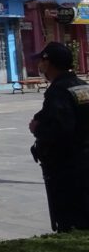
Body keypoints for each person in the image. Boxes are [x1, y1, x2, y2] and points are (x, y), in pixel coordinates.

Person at [29, 41, 89, 232]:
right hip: (84, 161)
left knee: (70, 221)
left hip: (67, 168)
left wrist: (37, 128)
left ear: (49, 63)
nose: (40, 66)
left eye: (42, 62)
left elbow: (59, 129)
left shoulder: (58, 91)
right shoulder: (82, 86)